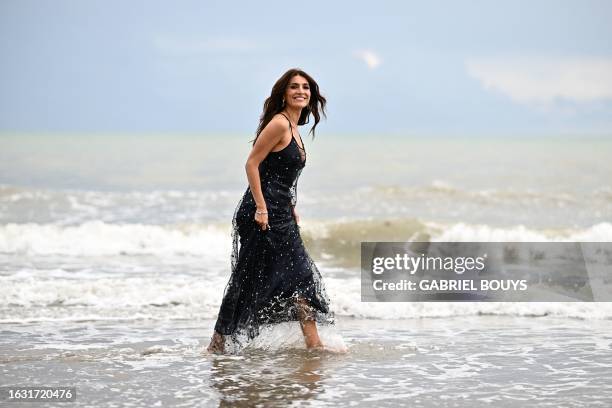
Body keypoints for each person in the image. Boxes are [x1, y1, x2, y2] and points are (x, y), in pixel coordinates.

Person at [206, 68, 336, 354]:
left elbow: (278, 174)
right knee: (249, 278)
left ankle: (314, 344)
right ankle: (216, 345)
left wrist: (290, 207)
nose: (301, 91)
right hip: (260, 214)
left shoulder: (294, 127)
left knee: (297, 275)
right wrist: (263, 209)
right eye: (294, 87)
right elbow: (252, 164)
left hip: (280, 212)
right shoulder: (279, 124)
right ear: (284, 93)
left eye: (306, 87)